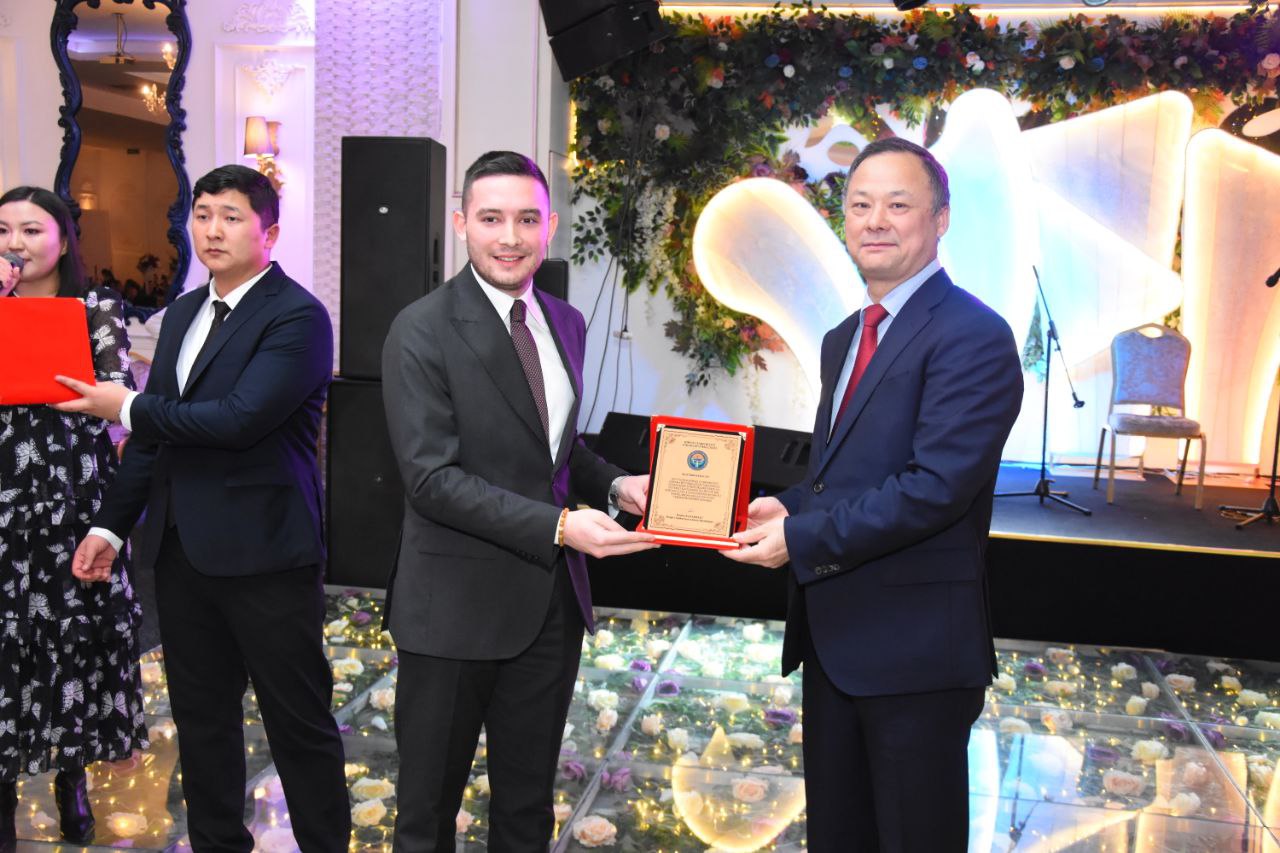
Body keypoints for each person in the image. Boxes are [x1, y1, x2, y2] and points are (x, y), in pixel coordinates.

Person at [725, 138, 1024, 852]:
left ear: (940, 219)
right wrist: (792, 505)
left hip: (915, 655)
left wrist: (799, 538)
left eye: (898, 204)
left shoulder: (974, 335)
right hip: (834, 642)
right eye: (860, 205)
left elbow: (933, 489)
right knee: (839, 836)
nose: (875, 221)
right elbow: (843, 473)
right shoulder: (845, 336)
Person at [54, 165, 350, 853]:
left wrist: (124, 405)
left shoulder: (297, 316)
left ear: (269, 233)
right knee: (202, 722)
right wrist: (109, 526)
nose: (212, 230)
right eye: (203, 214)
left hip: (267, 555)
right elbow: (156, 437)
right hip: (181, 550)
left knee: (298, 724)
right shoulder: (186, 311)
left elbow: (237, 420)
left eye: (232, 217)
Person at [381, 150, 657, 852]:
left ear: (550, 226)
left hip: (547, 611)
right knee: (426, 818)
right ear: (461, 223)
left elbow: (553, 448)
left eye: (527, 219)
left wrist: (616, 484)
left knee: (527, 811)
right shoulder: (421, 327)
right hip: (451, 612)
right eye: (491, 218)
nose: (510, 237)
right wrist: (561, 526)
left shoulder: (564, 320)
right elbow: (431, 480)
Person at [0, 186, 148, 850]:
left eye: (32, 230)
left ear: (62, 240)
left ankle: (72, 775)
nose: (16, 243)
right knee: (7, 648)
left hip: (71, 503)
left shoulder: (95, 309)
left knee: (72, 641)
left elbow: (122, 400)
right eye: (3, 230)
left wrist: (93, 393)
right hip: (4, 504)